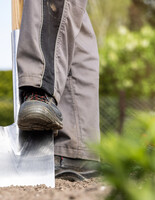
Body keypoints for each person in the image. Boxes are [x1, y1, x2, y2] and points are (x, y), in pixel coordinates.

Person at [16, 0, 100, 181]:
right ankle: (75, 147)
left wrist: (37, 81)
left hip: (40, 84)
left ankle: (39, 88)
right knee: (74, 15)